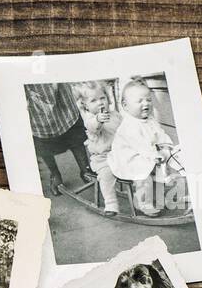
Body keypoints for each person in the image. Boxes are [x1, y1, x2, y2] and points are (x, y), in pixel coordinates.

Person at [109, 79, 185, 216]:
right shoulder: (130, 126)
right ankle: (143, 202)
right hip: (128, 158)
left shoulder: (150, 119)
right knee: (144, 176)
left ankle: (158, 195)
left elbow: (160, 133)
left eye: (148, 100)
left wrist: (166, 146)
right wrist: (154, 155)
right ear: (125, 106)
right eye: (140, 101)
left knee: (161, 166)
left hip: (145, 154)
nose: (146, 104)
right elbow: (139, 145)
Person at [25, 82, 91, 195]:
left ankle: (85, 169)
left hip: (57, 85)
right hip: (33, 92)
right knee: (41, 135)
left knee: (73, 126)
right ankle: (55, 175)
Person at [72, 80, 122, 215]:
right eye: (93, 100)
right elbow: (94, 127)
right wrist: (99, 119)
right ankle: (111, 203)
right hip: (103, 158)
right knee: (107, 175)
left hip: (121, 154)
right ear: (85, 106)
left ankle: (143, 198)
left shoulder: (115, 115)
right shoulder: (90, 119)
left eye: (102, 98)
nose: (100, 102)